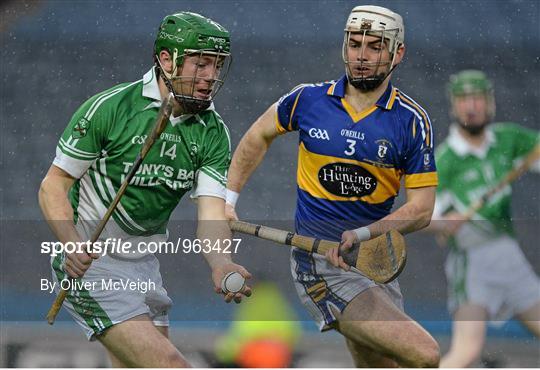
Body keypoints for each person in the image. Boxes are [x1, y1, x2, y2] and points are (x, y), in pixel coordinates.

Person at [225, 5, 440, 367]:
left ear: (397, 53)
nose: (361, 56)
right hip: (321, 264)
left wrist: (365, 233)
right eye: (355, 44)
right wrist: (227, 200)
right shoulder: (308, 99)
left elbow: (422, 209)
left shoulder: (411, 121)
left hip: (372, 266)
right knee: (425, 353)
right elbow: (257, 135)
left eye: (374, 46)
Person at [38, 12, 251, 367]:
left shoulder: (213, 132)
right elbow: (52, 186)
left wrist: (220, 261)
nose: (210, 77)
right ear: (166, 60)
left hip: (145, 268)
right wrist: (71, 243)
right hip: (93, 266)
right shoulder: (112, 108)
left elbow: (212, 214)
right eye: (200, 64)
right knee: (171, 364)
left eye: (217, 66)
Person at [427, 70, 540, 367]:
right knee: (467, 351)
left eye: (477, 98)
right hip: (472, 261)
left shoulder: (509, 139)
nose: (472, 107)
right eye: (464, 100)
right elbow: (427, 217)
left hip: (509, 257)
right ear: (454, 106)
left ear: (489, 102)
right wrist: (444, 222)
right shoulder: (444, 159)